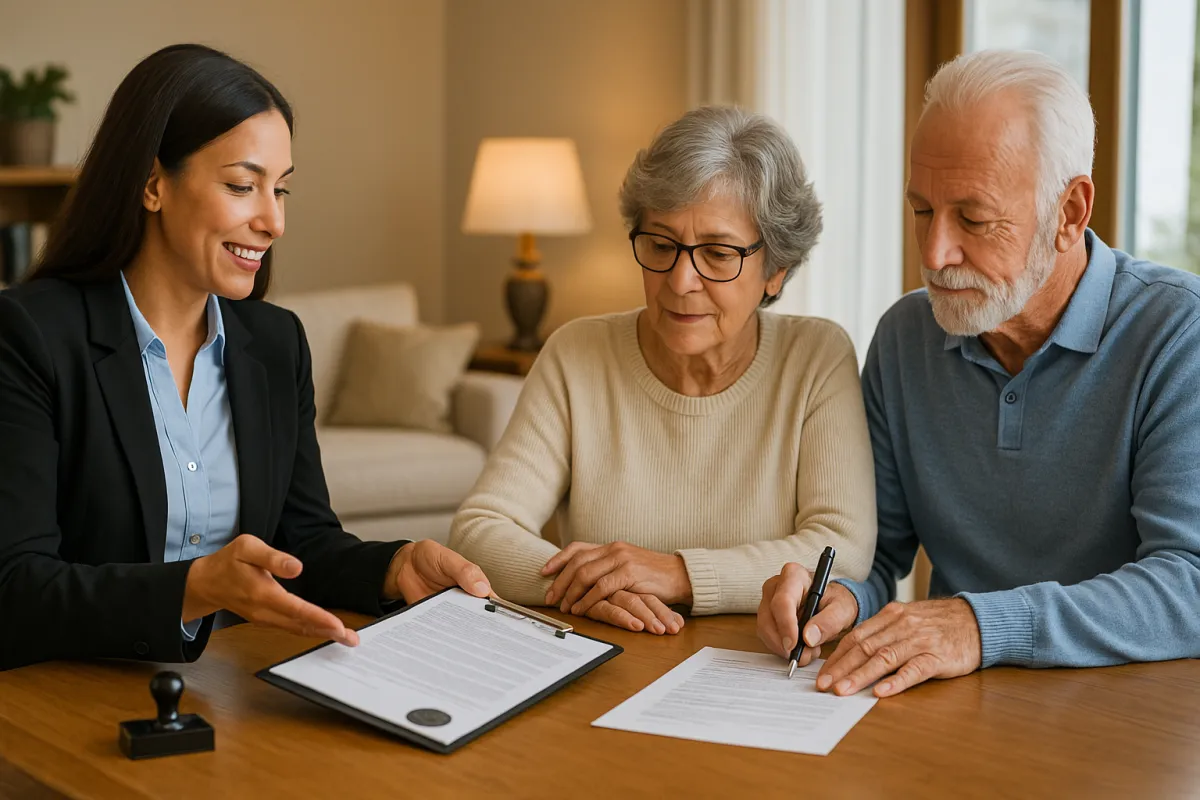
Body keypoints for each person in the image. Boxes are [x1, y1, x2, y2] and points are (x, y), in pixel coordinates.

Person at [0, 44, 491, 672]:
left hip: (235, 691)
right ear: (152, 184)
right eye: (242, 185)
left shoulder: (276, 343)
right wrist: (195, 588)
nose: (273, 221)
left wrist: (394, 566)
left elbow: (304, 541)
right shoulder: (31, 335)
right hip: (78, 696)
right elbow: (15, 587)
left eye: (280, 190)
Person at [757, 49, 1200, 696]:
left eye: (973, 217)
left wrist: (980, 625)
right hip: (959, 712)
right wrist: (839, 602)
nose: (935, 253)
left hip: (1131, 720)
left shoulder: (1178, 333)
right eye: (920, 210)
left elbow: (1189, 582)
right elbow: (880, 559)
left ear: (1071, 212)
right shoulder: (905, 339)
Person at [450, 106, 877, 636]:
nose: (680, 281)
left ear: (776, 270)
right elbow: (480, 530)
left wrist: (678, 574)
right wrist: (596, 591)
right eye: (661, 244)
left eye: (717, 254)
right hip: (608, 654)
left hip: (756, 665)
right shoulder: (577, 352)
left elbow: (843, 547)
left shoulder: (816, 357)